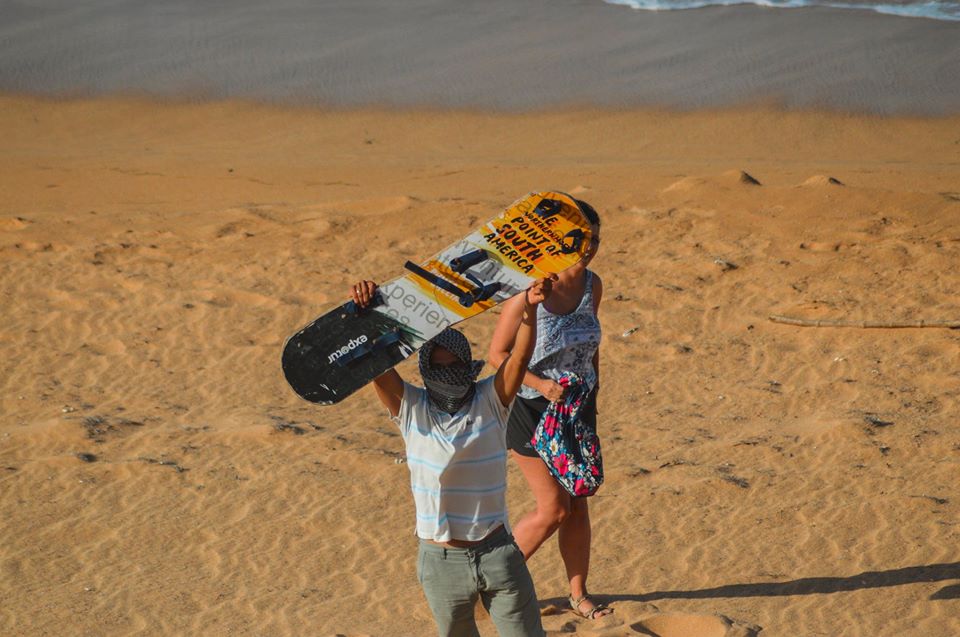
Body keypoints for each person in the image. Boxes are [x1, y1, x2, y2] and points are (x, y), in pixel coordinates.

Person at [351, 274, 556, 637]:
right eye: (439, 369)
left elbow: (520, 356)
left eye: (455, 366)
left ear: (467, 365)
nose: (449, 376)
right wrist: (366, 315)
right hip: (441, 564)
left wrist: (530, 307)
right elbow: (377, 367)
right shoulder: (410, 407)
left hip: (498, 554)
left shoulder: (492, 400)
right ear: (427, 372)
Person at [487, 200, 611, 620]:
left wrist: (592, 393)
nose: (587, 246)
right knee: (553, 507)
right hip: (532, 407)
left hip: (577, 409)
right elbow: (497, 353)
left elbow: (590, 343)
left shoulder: (593, 286)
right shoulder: (530, 291)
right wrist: (541, 384)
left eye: (593, 238)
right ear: (558, 238)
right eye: (579, 237)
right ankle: (490, 584)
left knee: (578, 504)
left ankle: (579, 595)